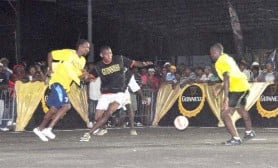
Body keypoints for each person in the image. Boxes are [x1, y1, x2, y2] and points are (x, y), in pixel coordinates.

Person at [80, 45, 152, 142]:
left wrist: (143, 64)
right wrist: (85, 77)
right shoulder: (99, 66)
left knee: (109, 112)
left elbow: (134, 63)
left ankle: (89, 133)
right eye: (107, 54)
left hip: (119, 93)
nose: (109, 56)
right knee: (97, 117)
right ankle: (102, 128)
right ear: (101, 55)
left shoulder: (120, 59)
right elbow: (90, 77)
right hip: (105, 94)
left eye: (110, 53)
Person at [33, 39, 90, 142]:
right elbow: (50, 54)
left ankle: (39, 129)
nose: (88, 49)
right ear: (80, 47)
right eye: (86, 47)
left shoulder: (82, 61)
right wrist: (50, 68)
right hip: (57, 82)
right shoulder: (68, 53)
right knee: (66, 106)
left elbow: (77, 75)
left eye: (88, 48)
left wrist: (85, 76)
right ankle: (49, 129)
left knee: (54, 109)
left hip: (65, 86)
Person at [210, 43, 255, 146]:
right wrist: (220, 87)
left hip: (237, 88)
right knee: (241, 110)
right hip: (243, 85)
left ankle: (235, 138)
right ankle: (249, 132)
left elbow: (227, 77)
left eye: (212, 52)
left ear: (218, 52)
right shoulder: (227, 58)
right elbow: (231, 75)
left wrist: (225, 97)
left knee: (225, 113)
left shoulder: (220, 62)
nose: (211, 55)